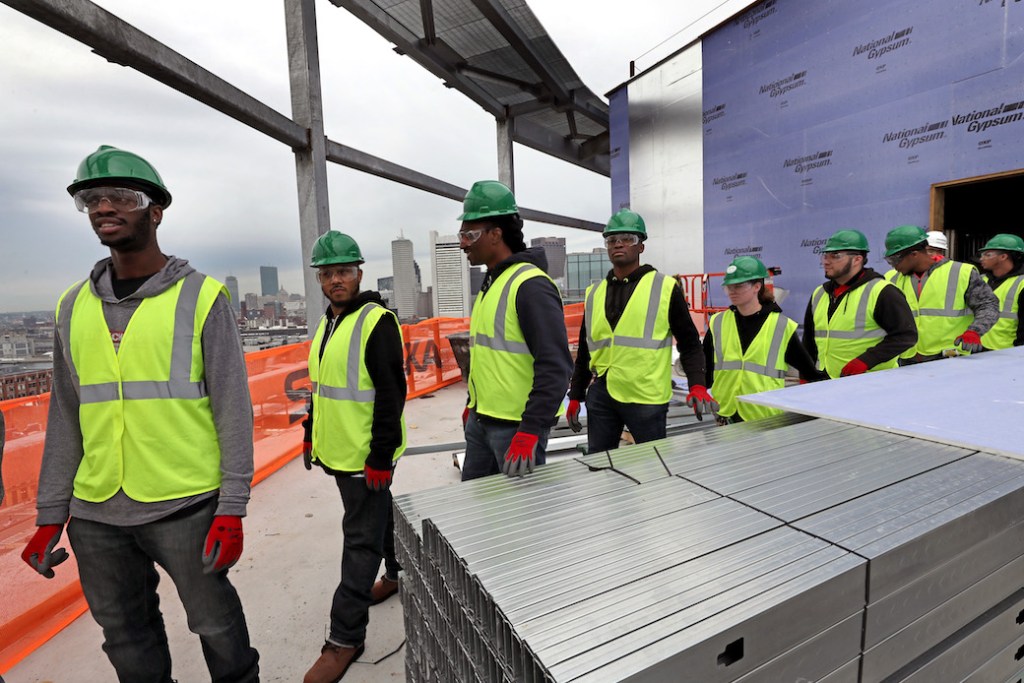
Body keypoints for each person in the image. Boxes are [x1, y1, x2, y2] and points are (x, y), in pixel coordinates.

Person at [20, 145, 259, 682]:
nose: (105, 207)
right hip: (97, 513)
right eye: (91, 198)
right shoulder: (72, 306)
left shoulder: (202, 297)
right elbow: (66, 415)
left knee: (218, 630)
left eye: (122, 196)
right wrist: (50, 514)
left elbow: (232, 407)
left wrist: (232, 505)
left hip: (186, 505)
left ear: (155, 210)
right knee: (126, 638)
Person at [301, 231, 407, 683]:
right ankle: (399, 571)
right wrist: (310, 434)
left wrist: (380, 457)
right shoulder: (330, 322)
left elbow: (391, 395)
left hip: (366, 455)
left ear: (358, 273)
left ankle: (345, 637)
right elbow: (321, 390)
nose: (335, 280)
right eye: (327, 273)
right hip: (341, 453)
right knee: (376, 519)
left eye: (343, 271)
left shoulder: (375, 321)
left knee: (358, 541)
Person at [566, 209, 716, 451]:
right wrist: (575, 394)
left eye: (627, 239)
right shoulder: (594, 293)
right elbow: (585, 350)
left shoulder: (664, 287)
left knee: (652, 467)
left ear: (641, 247)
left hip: (646, 398)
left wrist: (697, 384)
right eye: (612, 240)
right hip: (603, 394)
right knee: (599, 464)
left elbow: (689, 343)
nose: (618, 245)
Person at [458, 180, 572, 480]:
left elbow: (556, 366)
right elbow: (490, 357)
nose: (463, 243)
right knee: (477, 509)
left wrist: (531, 429)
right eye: (462, 233)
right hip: (481, 423)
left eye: (470, 234)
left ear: (496, 234)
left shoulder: (530, 286)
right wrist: (474, 403)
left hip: (515, 430)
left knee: (521, 521)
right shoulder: (491, 284)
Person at [704, 256, 823, 423]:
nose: (732, 291)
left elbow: (809, 371)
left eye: (739, 286)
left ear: (757, 287)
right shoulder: (718, 322)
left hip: (764, 417)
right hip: (725, 412)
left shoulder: (781, 326)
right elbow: (706, 366)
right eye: (729, 286)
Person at [803, 229, 917, 377]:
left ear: (857, 259)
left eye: (835, 256)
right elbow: (809, 339)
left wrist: (866, 361)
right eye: (825, 255)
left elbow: (906, 336)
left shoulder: (882, 292)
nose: (826, 261)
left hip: (871, 381)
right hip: (827, 380)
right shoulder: (819, 293)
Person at [883, 224, 998, 363]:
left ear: (914, 254)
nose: (892, 265)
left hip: (949, 359)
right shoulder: (891, 278)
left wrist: (974, 331)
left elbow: (988, 305)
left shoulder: (961, 273)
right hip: (907, 360)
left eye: (894, 259)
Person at [978, 233, 1024, 350]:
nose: (981, 258)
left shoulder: (1021, 283)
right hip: (976, 350)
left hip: (1006, 355)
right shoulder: (981, 280)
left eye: (988, 254)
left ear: (1003, 257)